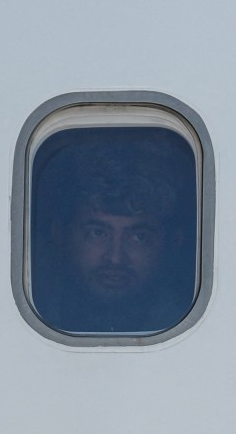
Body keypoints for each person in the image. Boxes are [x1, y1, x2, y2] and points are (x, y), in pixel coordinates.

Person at [31, 130, 196, 334]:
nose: (115, 258)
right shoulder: (26, 322)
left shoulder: (196, 330)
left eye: (139, 237)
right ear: (60, 234)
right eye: (98, 233)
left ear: (173, 243)